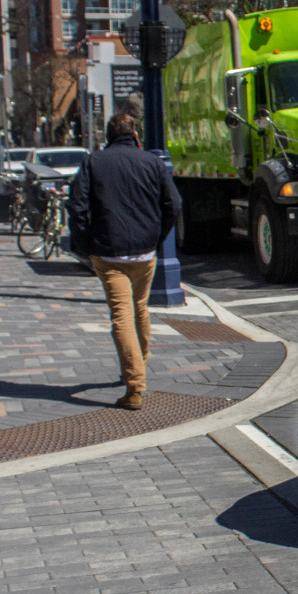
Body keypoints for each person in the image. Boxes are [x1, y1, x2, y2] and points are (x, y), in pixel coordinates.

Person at [66, 113, 181, 411]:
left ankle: (134, 387)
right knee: (139, 307)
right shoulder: (152, 162)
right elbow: (174, 204)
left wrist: (84, 246)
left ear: (108, 135)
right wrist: (158, 235)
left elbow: (76, 207)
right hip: (145, 251)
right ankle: (138, 363)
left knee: (121, 315)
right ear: (135, 134)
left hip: (108, 251)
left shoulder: (94, 162)